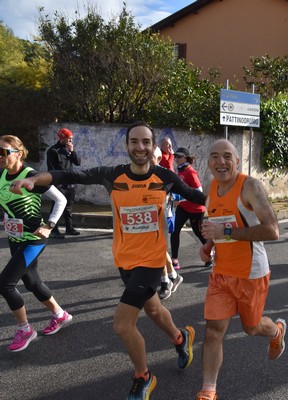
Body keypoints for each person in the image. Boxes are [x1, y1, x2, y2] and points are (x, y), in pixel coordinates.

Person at [10, 122, 203, 399]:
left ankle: (144, 377)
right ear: (127, 146)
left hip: (151, 261)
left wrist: (231, 200)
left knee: (123, 324)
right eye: (134, 142)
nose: (140, 147)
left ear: (152, 146)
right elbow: (67, 174)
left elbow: (195, 196)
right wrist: (33, 180)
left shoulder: (165, 177)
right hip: (125, 260)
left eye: (146, 142)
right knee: (154, 310)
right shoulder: (112, 176)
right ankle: (181, 338)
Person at [198, 139, 285, 400]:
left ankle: (276, 331)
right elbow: (216, 221)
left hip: (251, 273)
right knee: (213, 331)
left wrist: (225, 232)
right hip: (221, 272)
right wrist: (209, 243)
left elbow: (273, 231)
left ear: (237, 161)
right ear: (209, 162)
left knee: (252, 327)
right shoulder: (211, 187)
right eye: (215, 156)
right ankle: (208, 390)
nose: (220, 162)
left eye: (227, 156)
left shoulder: (250, 187)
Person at [0, 135, 71, 352]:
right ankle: (60, 315)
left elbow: (61, 199)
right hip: (15, 238)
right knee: (31, 282)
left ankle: (25, 329)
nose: (0, 157)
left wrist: (49, 225)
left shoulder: (30, 176)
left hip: (33, 240)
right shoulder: (2, 174)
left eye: (4, 152)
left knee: (5, 283)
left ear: (19, 154)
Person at [149, 146, 183, 301]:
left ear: (158, 159)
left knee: (157, 251)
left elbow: (180, 194)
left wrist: (170, 197)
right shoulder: (141, 174)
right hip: (149, 219)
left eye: (150, 158)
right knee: (159, 251)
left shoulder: (165, 175)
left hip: (164, 217)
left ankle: (166, 282)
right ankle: (173, 276)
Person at [170, 147, 208, 271]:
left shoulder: (190, 172)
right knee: (175, 231)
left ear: (185, 158)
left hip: (196, 209)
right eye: (175, 156)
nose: (176, 159)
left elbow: (199, 191)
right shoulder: (180, 170)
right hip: (184, 207)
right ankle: (174, 260)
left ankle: (210, 254)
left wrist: (180, 198)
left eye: (179, 157)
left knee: (198, 233)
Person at [46, 128, 82, 238]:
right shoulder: (53, 151)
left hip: (70, 182)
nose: (70, 141)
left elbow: (78, 163)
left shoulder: (69, 149)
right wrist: (56, 183)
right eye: (68, 138)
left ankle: (69, 227)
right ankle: (53, 230)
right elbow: (51, 169)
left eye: (71, 138)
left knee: (69, 207)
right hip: (59, 183)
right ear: (62, 138)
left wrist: (72, 151)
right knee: (57, 206)